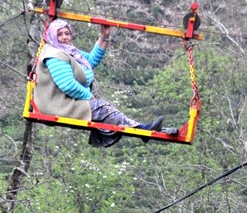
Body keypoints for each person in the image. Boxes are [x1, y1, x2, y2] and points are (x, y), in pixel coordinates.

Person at [32, 18, 178, 147]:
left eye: (67, 33)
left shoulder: (68, 51)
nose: (64, 37)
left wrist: (104, 37)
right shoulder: (54, 55)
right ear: (52, 35)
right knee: (102, 107)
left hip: (67, 102)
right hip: (56, 105)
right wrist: (88, 96)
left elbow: (89, 62)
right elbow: (67, 85)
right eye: (59, 34)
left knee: (104, 109)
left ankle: (141, 129)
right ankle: (142, 129)